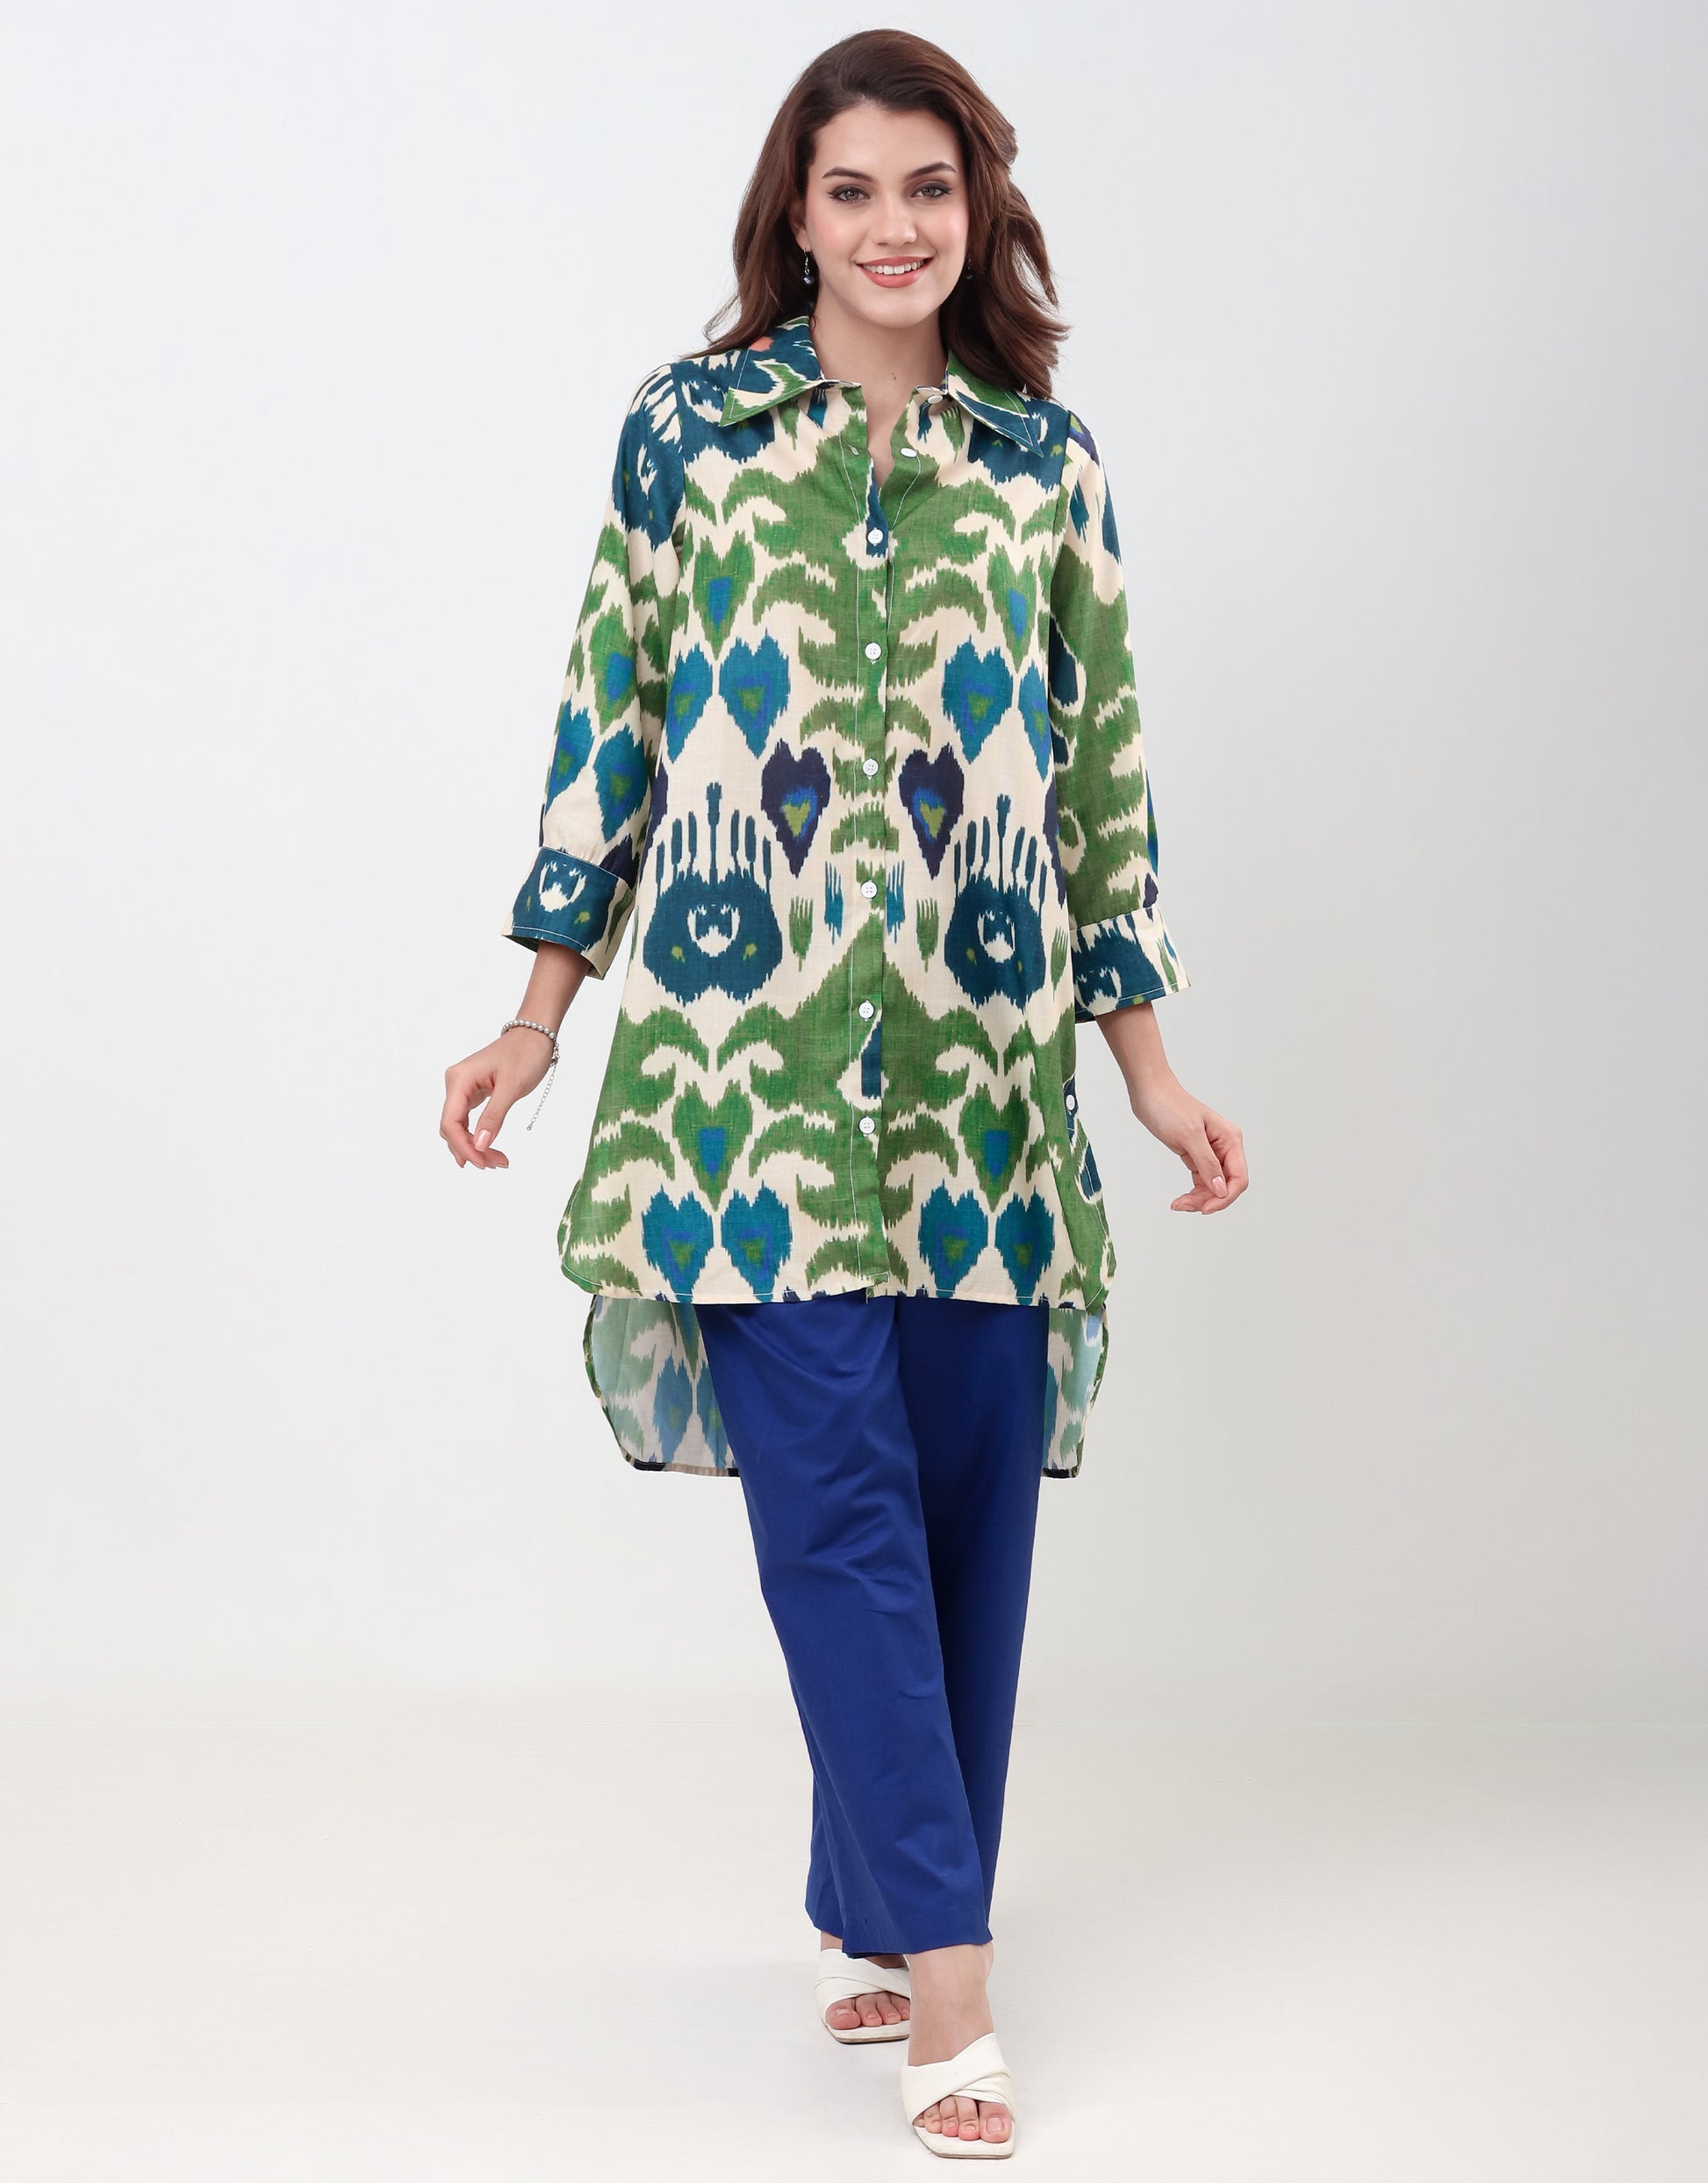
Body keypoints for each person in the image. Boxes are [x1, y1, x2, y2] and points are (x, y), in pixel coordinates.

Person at [441, 27, 1246, 2159]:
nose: (896, 226)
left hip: (981, 1092)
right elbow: (607, 722)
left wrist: (1150, 1072)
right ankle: (954, 1991)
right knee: (840, 1518)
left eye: (930, 188)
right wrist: (536, 1014)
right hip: (742, 1088)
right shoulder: (686, 439)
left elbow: (1100, 781)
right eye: (853, 189)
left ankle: (866, 1896)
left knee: (965, 1527)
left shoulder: (1044, 466)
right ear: (791, 218)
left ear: (977, 209)